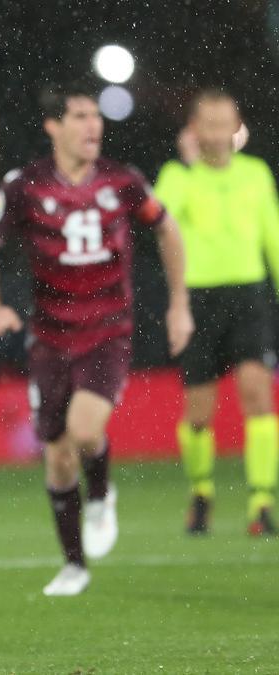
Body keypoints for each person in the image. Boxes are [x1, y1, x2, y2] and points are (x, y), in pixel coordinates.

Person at [0, 83, 193, 597]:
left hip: (108, 331)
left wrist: (179, 304)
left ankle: (103, 495)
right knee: (58, 454)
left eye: (96, 115)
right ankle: (74, 565)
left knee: (85, 432)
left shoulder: (123, 181)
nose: (93, 125)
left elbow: (168, 231)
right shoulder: (24, 185)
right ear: (53, 126)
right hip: (49, 337)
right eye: (80, 115)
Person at [155, 89, 279, 536]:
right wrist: (186, 168)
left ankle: (261, 503)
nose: (217, 132)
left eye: (224, 122)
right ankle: (202, 491)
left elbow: (273, 235)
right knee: (199, 415)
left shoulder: (256, 173)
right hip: (199, 301)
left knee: (259, 398)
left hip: (249, 298)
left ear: (236, 126)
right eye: (207, 123)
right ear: (193, 129)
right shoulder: (178, 176)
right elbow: (160, 221)